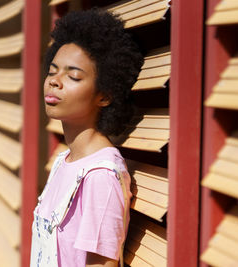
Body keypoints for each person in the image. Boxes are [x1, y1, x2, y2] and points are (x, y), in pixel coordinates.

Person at [30, 8, 143, 267]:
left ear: (104, 95)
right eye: (52, 71)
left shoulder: (100, 175)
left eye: (73, 76)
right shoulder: (64, 161)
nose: (54, 81)